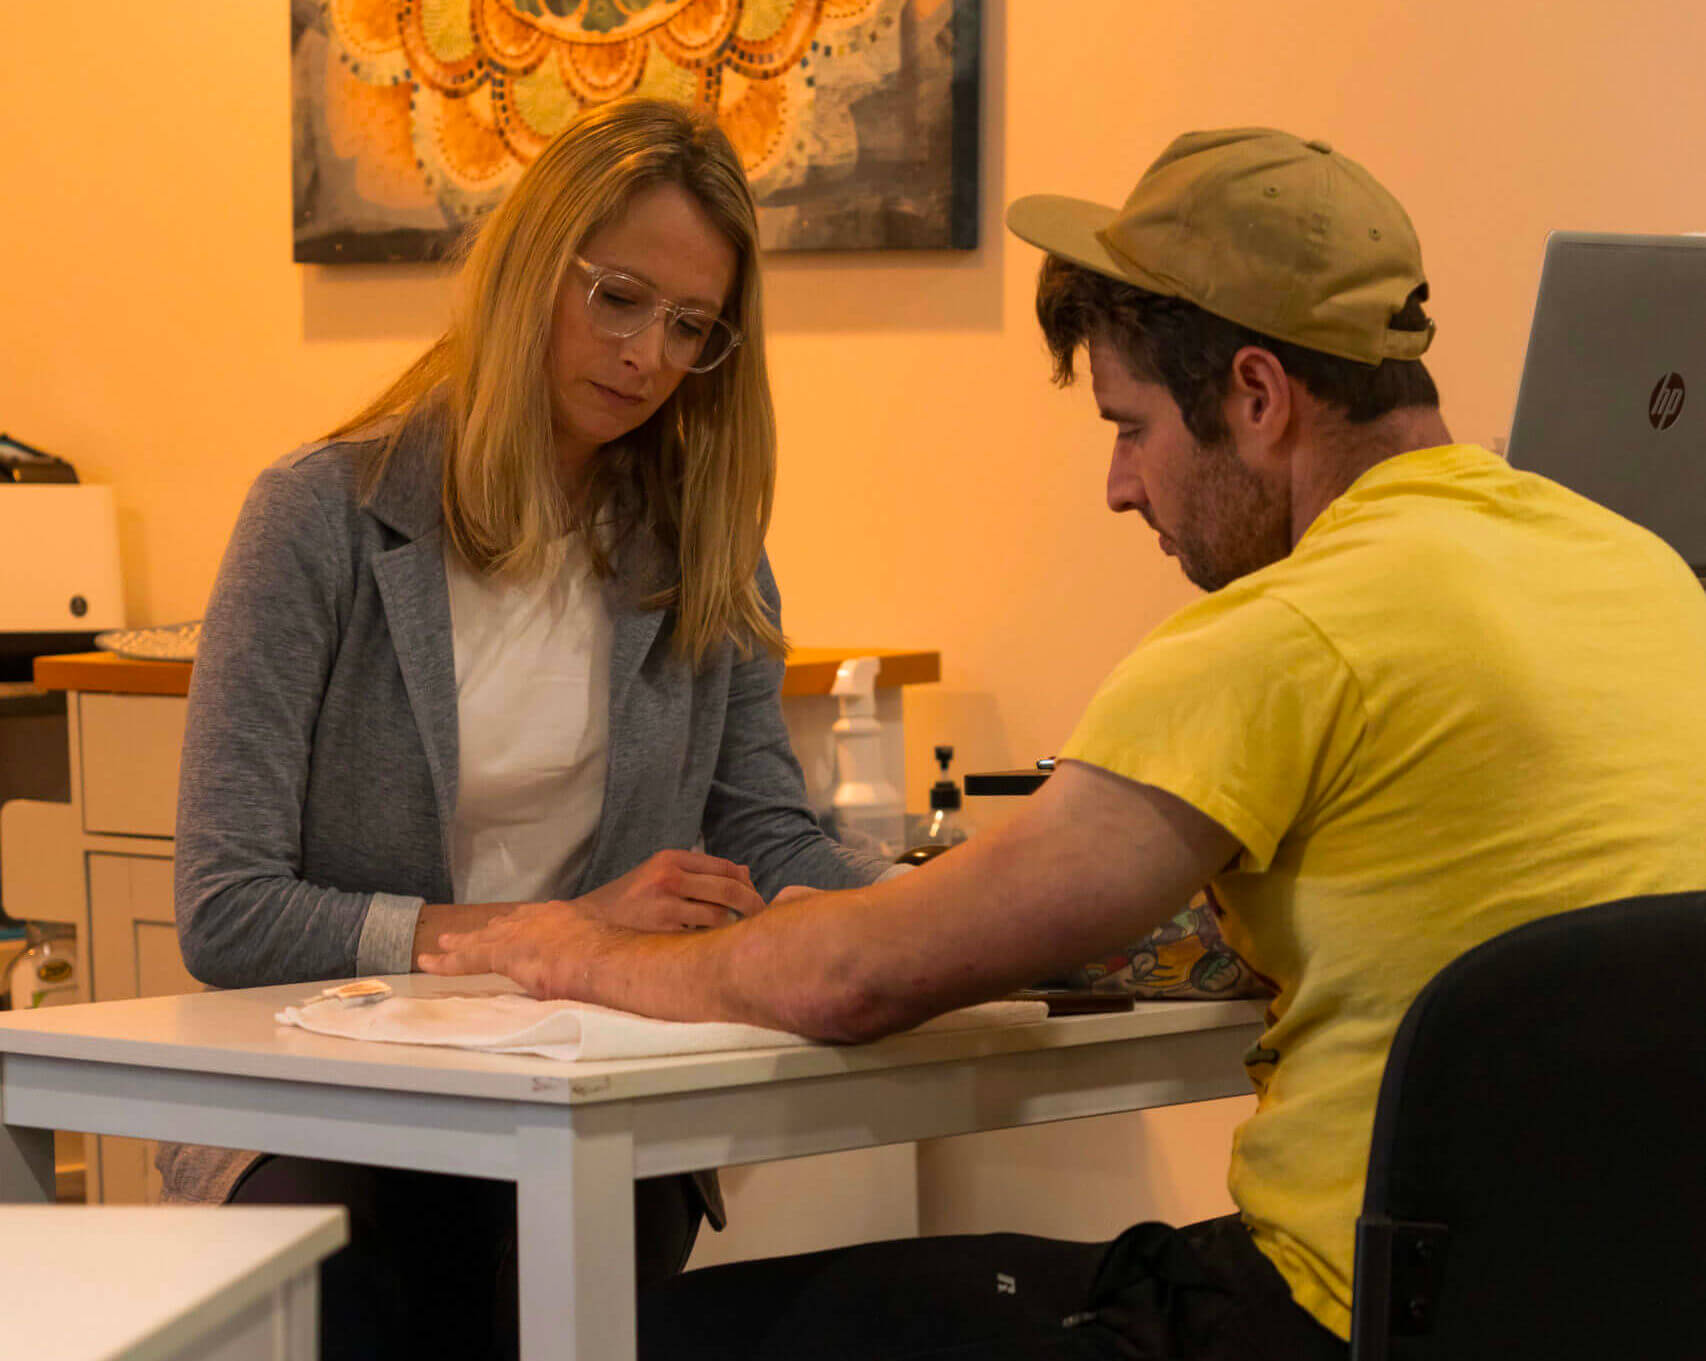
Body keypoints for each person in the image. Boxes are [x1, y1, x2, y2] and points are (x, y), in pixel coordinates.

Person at [422, 127, 1706, 1360]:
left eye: (1128, 425)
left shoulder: (1285, 631)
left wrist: (571, 945)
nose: (1118, 486)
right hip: (1622, 1312)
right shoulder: (1637, 569)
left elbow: (850, 980)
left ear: (1256, 395)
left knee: (641, 1337)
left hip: (1337, 1319)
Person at [164, 96, 893, 1361]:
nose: (648, 356)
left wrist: (961, 910)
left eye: (689, 326)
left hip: (582, 1092)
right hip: (333, 1111)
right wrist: (535, 939)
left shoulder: (702, 544)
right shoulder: (320, 517)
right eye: (617, 298)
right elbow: (227, 907)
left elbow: (766, 832)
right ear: (525, 271)